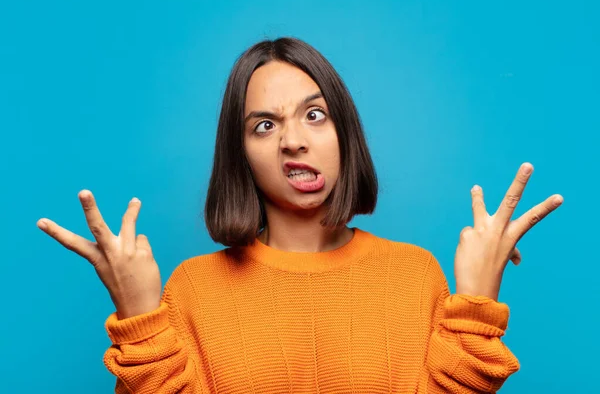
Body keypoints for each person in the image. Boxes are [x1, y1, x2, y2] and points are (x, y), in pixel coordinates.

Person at [37, 37, 563, 393]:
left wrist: (477, 305)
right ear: (240, 153)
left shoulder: (415, 276)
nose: (293, 141)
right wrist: (140, 320)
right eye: (264, 126)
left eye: (315, 115)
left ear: (345, 133)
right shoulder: (194, 288)